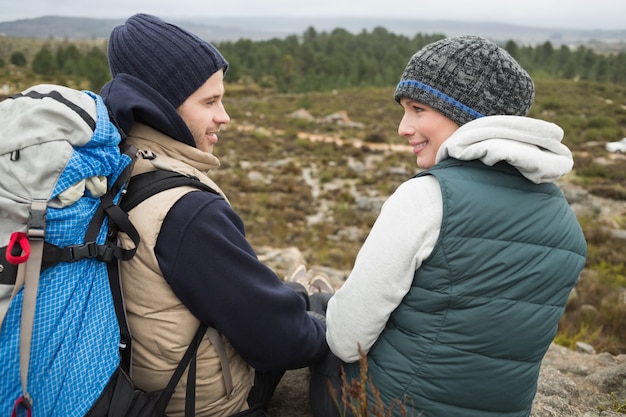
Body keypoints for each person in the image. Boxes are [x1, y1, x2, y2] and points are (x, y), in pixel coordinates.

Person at [312, 35, 587, 417]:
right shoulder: (564, 219)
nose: (403, 127)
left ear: (467, 115)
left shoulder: (427, 198)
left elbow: (345, 342)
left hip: (387, 407)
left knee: (318, 314)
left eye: (418, 109)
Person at [100, 13, 331, 417]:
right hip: (207, 405)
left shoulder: (115, 167)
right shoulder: (185, 211)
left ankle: (301, 295)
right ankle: (312, 299)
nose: (224, 116)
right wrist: (328, 331)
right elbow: (279, 342)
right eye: (210, 102)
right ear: (161, 108)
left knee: (297, 300)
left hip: (137, 387)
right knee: (317, 319)